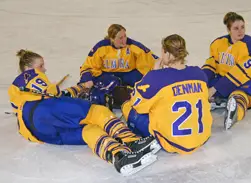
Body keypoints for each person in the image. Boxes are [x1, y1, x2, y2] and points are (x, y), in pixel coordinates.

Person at [8, 49, 160, 176]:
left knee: (87, 130)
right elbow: (53, 96)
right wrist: (81, 88)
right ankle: (131, 141)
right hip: (43, 109)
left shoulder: (16, 92)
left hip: (37, 131)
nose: (44, 69)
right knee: (96, 111)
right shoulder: (29, 76)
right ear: (28, 68)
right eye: (41, 65)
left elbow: (56, 97)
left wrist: (80, 88)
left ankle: (119, 156)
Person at [121, 34, 213, 154]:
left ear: (167, 53)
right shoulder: (200, 74)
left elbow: (137, 104)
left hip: (170, 141)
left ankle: (153, 139)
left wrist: (152, 73)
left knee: (128, 107)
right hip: (201, 137)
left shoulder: (156, 77)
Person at [202, 12, 251, 130]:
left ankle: (235, 111)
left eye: (242, 27)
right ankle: (217, 100)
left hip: (250, 82)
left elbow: (241, 72)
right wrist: (201, 81)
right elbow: (211, 65)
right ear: (229, 29)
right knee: (201, 87)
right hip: (224, 81)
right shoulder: (217, 43)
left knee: (240, 95)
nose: (240, 31)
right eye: (236, 28)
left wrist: (215, 89)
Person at [79, 24, 159, 88]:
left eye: (125, 36)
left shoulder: (133, 46)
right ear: (112, 39)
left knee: (142, 82)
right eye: (120, 38)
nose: (124, 40)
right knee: (105, 83)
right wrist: (87, 79)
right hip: (107, 75)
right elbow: (88, 66)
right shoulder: (101, 47)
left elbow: (149, 60)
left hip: (129, 74)